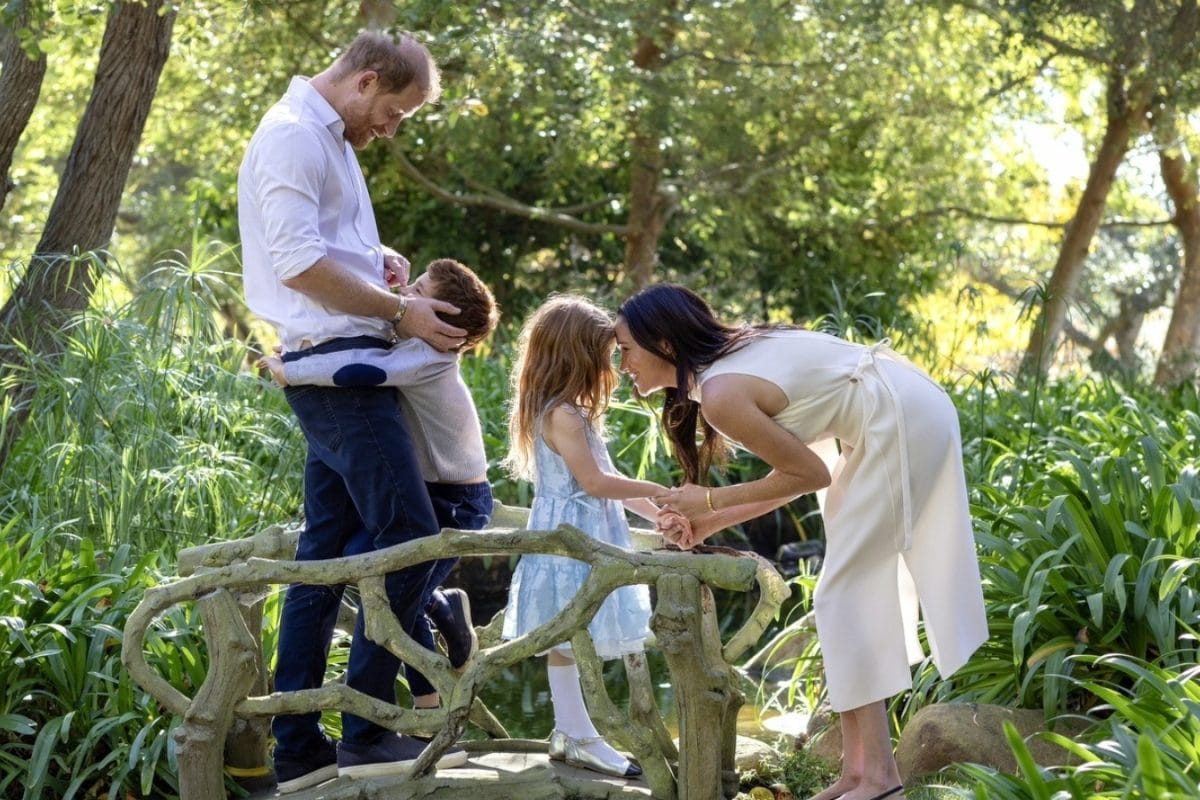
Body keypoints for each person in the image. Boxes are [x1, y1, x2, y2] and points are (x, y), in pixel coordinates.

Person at [615, 284, 988, 800]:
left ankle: (880, 780)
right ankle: (858, 774)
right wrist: (708, 522)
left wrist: (708, 501)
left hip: (902, 419)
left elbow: (809, 472)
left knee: (844, 594)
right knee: (843, 594)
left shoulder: (722, 393)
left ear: (664, 342)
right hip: (896, 410)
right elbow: (792, 475)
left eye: (626, 348)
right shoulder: (728, 367)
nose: (622, 363)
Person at [238, 30, 471, 793]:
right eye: (395, 112)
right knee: (410, 536)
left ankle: (300, 748)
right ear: (368, 80)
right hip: (340, 379)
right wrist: (401, 310)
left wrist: (379, 267)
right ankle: (368, 729)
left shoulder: (329, 138)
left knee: (325, 560)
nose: (390, 129)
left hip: (338, 371)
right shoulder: (295, 138)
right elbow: (297, 264)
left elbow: (326, 252)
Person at [260, 258, 500, 680]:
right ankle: (431, 660)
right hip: (435, 489)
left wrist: (292, 371)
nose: (405, 299)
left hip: (458, 501)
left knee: (391, 582)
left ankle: (433, 640)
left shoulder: (428, 357)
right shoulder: (414, 346)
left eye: (419, 293)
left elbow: (361, 369)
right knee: (375, 569)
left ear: (443, 322)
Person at [500, 296, 668, 780]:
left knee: (574, 636)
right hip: (572, 543)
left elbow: (608, 480)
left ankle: (570, 729)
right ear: (579, 355)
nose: (613, 364)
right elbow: (595, 484)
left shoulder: (573, 412)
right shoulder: (563, 415)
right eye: (607, 354)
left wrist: (660, 515)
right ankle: (578, 734)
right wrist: (660, 487)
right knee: (572, 634)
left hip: (585, 535)